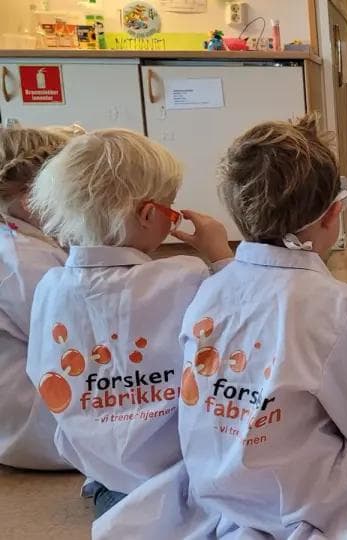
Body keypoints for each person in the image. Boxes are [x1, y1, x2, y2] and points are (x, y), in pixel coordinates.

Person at [167, 116, 347, 537]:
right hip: (300, 502)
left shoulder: (210, 289)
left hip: (217, 487)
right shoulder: (337, 305)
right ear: (333, 214)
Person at [24, 129, 233, 518]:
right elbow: (243, 320)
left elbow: (40, 370)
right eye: (171, 211)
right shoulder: (185, 276)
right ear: (149, 214)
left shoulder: (50, 287)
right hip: (183, 469)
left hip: (102, 469)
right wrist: (220, 254)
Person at [0, 126, 74, 471]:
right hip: (32, 426)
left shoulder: (18, 242)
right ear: (33, 200)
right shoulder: (26, 260)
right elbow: (71, 344)